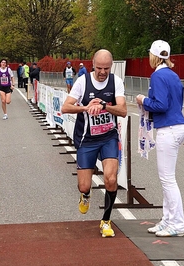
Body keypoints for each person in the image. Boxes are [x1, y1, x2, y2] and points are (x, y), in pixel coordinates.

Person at [61, 49, 127, 238]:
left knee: (111, 179)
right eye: (99, 68)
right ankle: (86, 195)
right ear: (93, 64)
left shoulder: (116, 82)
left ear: (111, 66)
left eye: (106, 68)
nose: (102, 72)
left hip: (108, 137)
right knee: (83, 185)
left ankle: (106, 221)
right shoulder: (83, 81)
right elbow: (66, 107)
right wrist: (87, 108)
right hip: (86, 139)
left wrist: (105, 106)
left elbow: (122, 111)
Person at [135, 40, 184, 237]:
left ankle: (177, 223)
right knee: (167, 178)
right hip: (177, 125)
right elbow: (176, 101)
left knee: (167, 179)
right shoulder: (173, 75)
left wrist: (143, 100)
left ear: (153, 56)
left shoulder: (157, 76)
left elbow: (160, 105)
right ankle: (168, 220)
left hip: (169, 128)